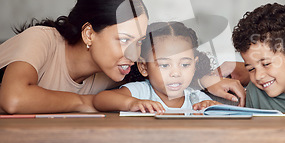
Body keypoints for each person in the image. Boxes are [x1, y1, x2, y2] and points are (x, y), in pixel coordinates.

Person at [0, 0, 243, 113]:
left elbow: (162, 66)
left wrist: (207, 78)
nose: (132, 51)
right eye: (123, 38)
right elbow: (15, 99)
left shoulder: (116, 69)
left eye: (138, 41)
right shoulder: (41, 39)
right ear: (89, 33)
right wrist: (86, 103)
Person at [93, 22, 221, 113]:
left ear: (195, 65)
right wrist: (131, 103)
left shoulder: (197, 99)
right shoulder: (141, 92)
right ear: (144, 67)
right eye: (164, 65)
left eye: (185, 65)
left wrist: (212, 108)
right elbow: (100, 100)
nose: (176, 73)